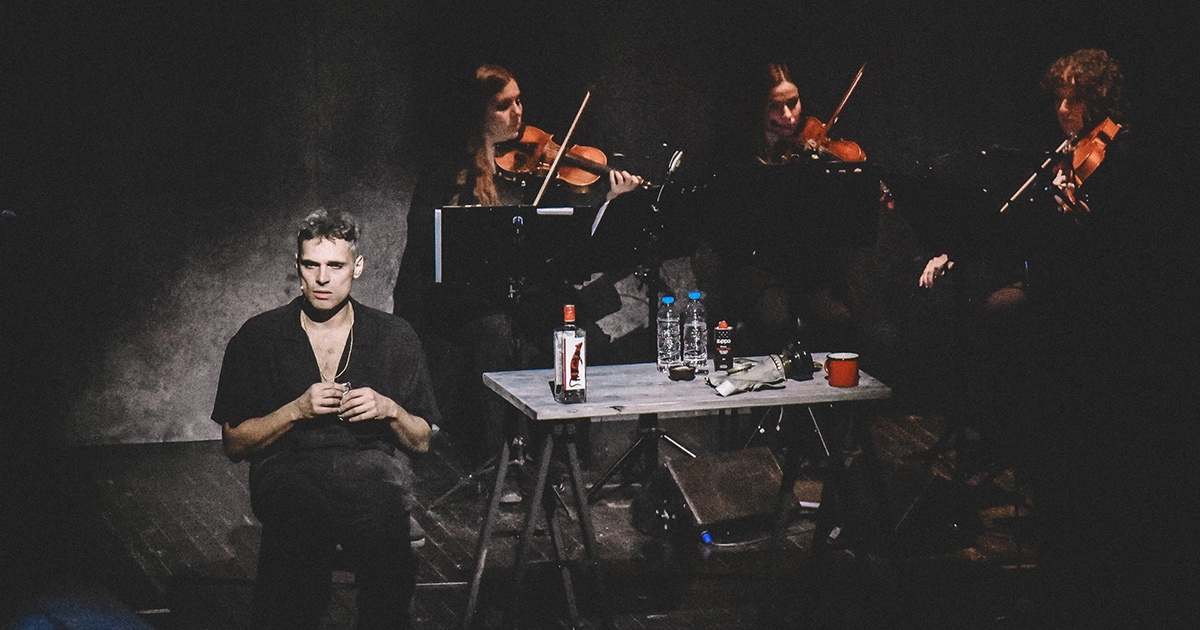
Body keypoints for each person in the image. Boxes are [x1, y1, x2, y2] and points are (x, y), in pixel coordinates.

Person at [393, 64, 643, 494]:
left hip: (515, 295)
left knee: (572, 325)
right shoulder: (447, 172)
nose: (518, 112)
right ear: (478, 113)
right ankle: (501, 460)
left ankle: (559, 452)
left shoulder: (530, 172)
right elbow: (427, 250)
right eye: (503, 105)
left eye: (519, 101)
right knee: (496, 331)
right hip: (459, 302)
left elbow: (566, 241)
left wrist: (610, 200)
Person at [213, 209, 438, 630]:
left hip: (370, 471)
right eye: (311, 265)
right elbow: (235, 443)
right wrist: (295, 410)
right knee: (300, 530)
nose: (322, 278)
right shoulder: (260, 337)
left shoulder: (393, 336)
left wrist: (389, 409)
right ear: (297, 267)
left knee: (386, 546)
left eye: (335, 266)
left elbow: (422, 439)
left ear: (357, 267)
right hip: (288, 467)